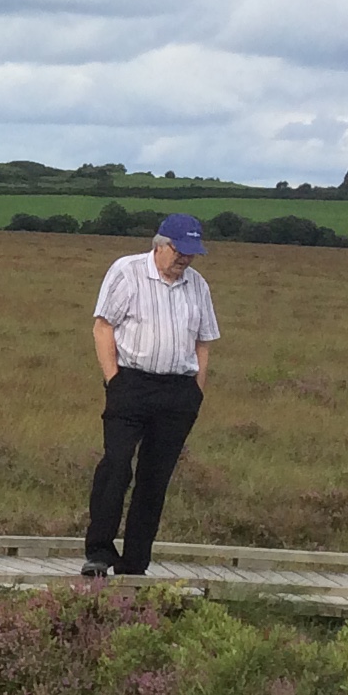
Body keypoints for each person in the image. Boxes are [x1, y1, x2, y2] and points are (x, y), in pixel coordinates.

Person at [85, 213, 221, 578]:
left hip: (178, 392)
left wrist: (196, 392)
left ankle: (135, 564)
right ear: (160, 245)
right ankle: (98, 551)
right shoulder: (126, 272)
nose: (185, 260)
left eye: (192, 254)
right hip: (131, 383)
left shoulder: (198, 286)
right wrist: (115, 382)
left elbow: (204, 341)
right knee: (116, 466)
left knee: (154, 479)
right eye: (179, 252)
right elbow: (103, 327)